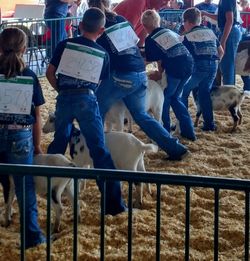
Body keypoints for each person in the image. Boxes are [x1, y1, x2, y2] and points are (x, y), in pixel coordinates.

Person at [46, 7, 126, 215]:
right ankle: (113, 204)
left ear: (80, 25)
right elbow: (98, 82)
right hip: (87, 99)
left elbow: (50, 72)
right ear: (101, 31)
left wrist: (62, 90)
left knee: (59, 142)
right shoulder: (103, 53)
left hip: (65, 97)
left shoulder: (65, 44)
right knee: (99, 149)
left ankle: (49, 188)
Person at [88, 0, 190, 160]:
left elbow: (97, 55)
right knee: (141, 115)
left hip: (120, 75)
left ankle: (97, 152)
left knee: (96, 109)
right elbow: (135, 42)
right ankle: (176, 149)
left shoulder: (96, 25)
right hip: (140, 72)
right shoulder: (120, 19)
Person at [0, 27, 46, 249]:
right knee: (25, 186)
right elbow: (36, 115)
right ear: (25, 48)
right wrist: (36, 144)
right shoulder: (29, 75)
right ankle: (32, 237)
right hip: (20, 135)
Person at [141, 9, 196, 140]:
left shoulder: (150, 39)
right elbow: (162, 56)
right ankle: (189, 131)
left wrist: (143, 70)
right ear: (158, 21)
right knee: (176, 98)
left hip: (175, 68)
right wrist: (160, 72)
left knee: (164, 99)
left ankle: (165, 133)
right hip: (189, 64)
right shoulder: (169, 31)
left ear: (144, 26)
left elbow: (152, 59)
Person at [181, 8, 224, 131]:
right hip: (214, 65)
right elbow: (221, 52)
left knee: (183, 91)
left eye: (184, 22)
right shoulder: (210, 32)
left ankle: (184, 123)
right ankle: (209, 124)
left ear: (188, 22)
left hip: (200, 66)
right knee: (204, 93)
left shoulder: (187, 36)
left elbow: (184, 57)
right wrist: (214, 63)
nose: (183, 25)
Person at [202, 0, 242, 85]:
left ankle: (229, 90)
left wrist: (223, 41)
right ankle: (229, 88)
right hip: (227, 31)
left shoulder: (226, 1)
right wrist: (205, 13)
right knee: (226, 64)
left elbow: (229, 21)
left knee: (227, 65)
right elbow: (221, 17)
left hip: (229, 32)